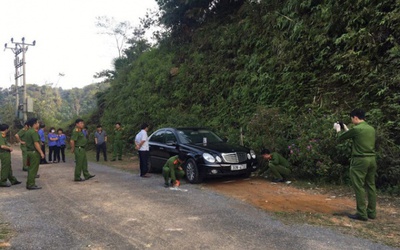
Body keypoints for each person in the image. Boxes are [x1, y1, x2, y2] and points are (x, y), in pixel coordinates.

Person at [334, 108, 377, 221]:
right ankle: (371, 212)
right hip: (372, 159)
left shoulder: (357, 129)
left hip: (360, 160)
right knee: (371, 186)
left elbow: (340, 138)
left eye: (352, 118)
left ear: (356, 118)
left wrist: (338, 129)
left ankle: (361, 213)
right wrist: (346, 128)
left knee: (359, 186)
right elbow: (355, 135)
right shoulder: (371, 129)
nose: (352, 120)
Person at [25, 118, 45, 190]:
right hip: (34, 152)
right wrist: (41, 152)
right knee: (33, 169)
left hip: (29, 152)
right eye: (37, 123)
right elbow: (36, 143)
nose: (38, 124)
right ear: (34, 124)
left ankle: (29, 183)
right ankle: (31, 184)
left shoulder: (28, 132)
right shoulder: (33, 132)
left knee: (31, 168)